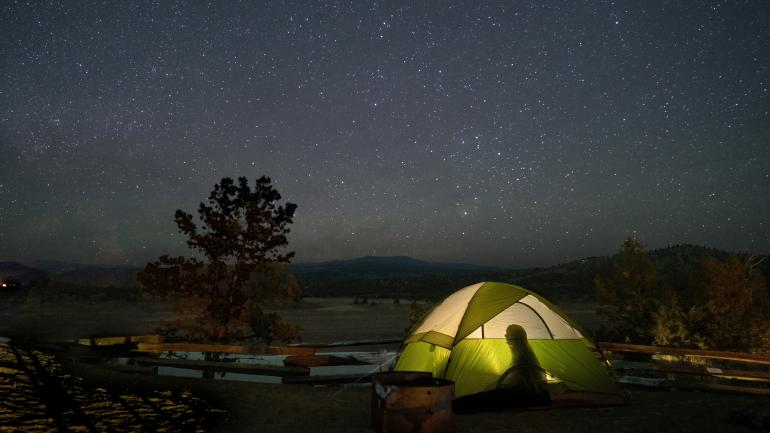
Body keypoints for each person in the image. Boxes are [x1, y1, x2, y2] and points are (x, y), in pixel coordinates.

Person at [496, 324, 550, 406]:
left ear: (515, 337)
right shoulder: (521, 352)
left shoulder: (522, 356)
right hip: (524, 390)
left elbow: (520, 380)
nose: (505, 335)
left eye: (508, 333)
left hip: (523, 393)